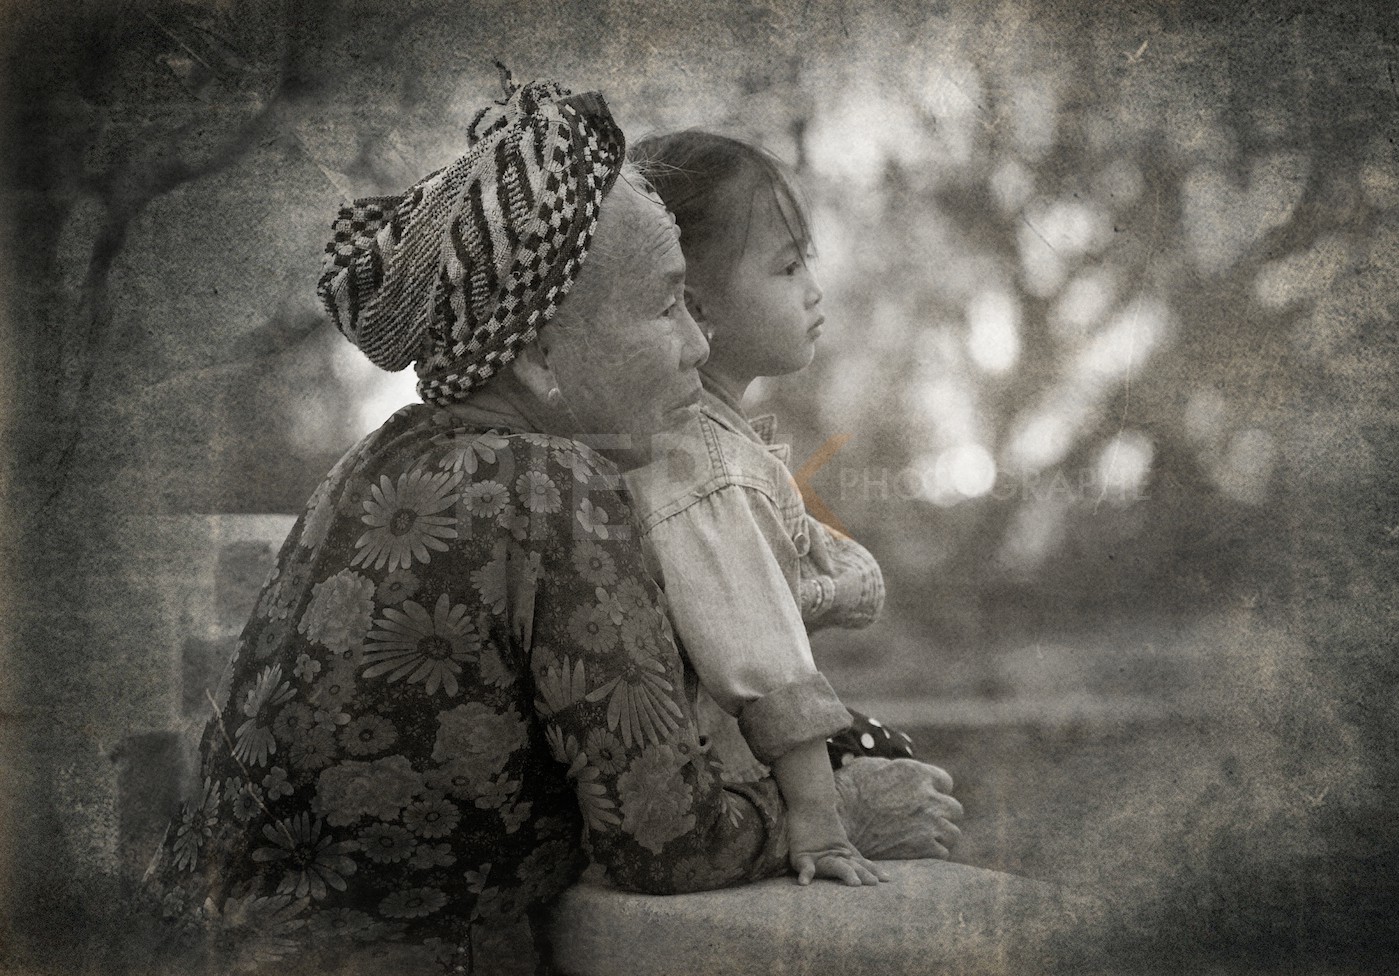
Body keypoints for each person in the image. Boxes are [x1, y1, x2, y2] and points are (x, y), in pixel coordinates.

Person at [142, 77, 961, 975]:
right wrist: (847, 811)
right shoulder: (553, 488)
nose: (697, 344)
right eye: (666, 307)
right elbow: (668, 842)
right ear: (537, 356)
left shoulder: (376, 460)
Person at [619, 131, 920, 883]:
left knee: (896, 760)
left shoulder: (713, 444)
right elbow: (764, 660)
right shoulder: (708, 463)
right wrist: (820, 823)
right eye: (788, 267)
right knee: (900, 769)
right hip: (717, 774)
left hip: (712, 749)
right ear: (694, 306)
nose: (813, 288)